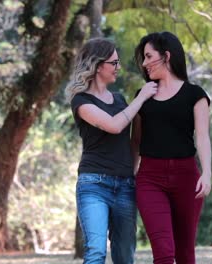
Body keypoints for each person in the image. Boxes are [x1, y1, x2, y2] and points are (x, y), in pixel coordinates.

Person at [65, 38, 157, 263]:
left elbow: (134, 140)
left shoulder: (119, 99)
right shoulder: (81, 101)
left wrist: (132, 171)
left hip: (125, 185)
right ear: (97, 65)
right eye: (114, 63)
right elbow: (115, 126)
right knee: (96, 250)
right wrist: (143, 96)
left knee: (125, 254)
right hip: (93, 185)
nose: (118, 67)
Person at [131, 31, 212, 264]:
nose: (144, 64)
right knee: (164, 252)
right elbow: (135, 141)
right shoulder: (143, 96)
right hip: (149, 179)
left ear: (166, 56)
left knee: (185, 253)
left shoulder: (195, 95)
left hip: (187, 178)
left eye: (148, 56)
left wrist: (206, 172)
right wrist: (129, 175)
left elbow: (203, 137)